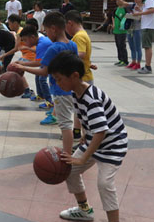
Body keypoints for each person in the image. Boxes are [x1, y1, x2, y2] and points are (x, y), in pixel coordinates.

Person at [47, 50, 127, 222]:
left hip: (112, 144)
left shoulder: (91, 97)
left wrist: (83, 156)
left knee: (104, 183)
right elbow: (81, 115)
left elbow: (102, 130)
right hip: (93, 139)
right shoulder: (76, 92)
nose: (56, 84)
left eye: (58, 79)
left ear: (74, 76)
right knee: (69, 170)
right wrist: (82, 133)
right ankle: (84, 210)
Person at [15, 12, 77, 148]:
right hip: (71, 89)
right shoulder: (73, 45)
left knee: (65, 124)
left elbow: (44, 71)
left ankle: (67, 153)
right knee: (66, 120)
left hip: (61, 90)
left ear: (53, 29)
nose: (46, 34)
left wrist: (22, 67)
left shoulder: (53, 48)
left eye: (47, 30)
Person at [65, 10, 95, 143]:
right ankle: (77, 132)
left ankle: (86, 137)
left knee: (83, 110)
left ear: (70, 23)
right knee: (79, 107)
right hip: (85, 74)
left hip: (83, 77)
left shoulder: (79, 36)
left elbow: (81, 53)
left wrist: (65, 57)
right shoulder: (83, 34)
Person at [17, 25, 53, 109]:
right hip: (50, 62)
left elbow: (38, 63)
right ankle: (41, 95)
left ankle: (49, 101)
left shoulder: (42, 44)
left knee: (42, 79)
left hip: (54, 65)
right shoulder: (41, 41)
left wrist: (22, 64)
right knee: (38, 76)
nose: (25, 43)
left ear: (32, 37)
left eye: (25, 40)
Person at [0, 14, 34, 97]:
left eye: (9, 23)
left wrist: (3, 55)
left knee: (15, 68)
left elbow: (15, 49)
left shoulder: (19, 33)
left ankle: (26, 89)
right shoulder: (20, 31)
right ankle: (25, 89)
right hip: (27, 54)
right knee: (15, 68)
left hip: (29, 55)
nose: (9, 25)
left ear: (15, 23)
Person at [110, 0, 144, 70]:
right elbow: (124, 3)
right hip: (130, 28)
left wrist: (139, 12)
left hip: (138, 28)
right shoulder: (132, 5)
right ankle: (133, 62)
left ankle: (138, 63)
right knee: (132, 47)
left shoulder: (144, 6)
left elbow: (144, 17)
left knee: (137, 47)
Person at [136, 0, 154, 74]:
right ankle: (147, 66)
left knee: (147, 46)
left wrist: (138, 14)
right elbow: (149, 12)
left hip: (148, 26)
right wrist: (140, 11)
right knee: (146, 46)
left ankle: (148, 66)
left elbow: (152, 10)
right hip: (147, 25)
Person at [111, 0, 129, 66]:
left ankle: (125, 60)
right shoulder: (116, 9)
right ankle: (120, 59)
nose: (117, 1)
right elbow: (113, 17)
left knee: (122, 45)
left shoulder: (125, 8)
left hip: (122, 30)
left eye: (119, 0)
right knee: (118, 45)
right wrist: (113, 24)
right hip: (116, 30)